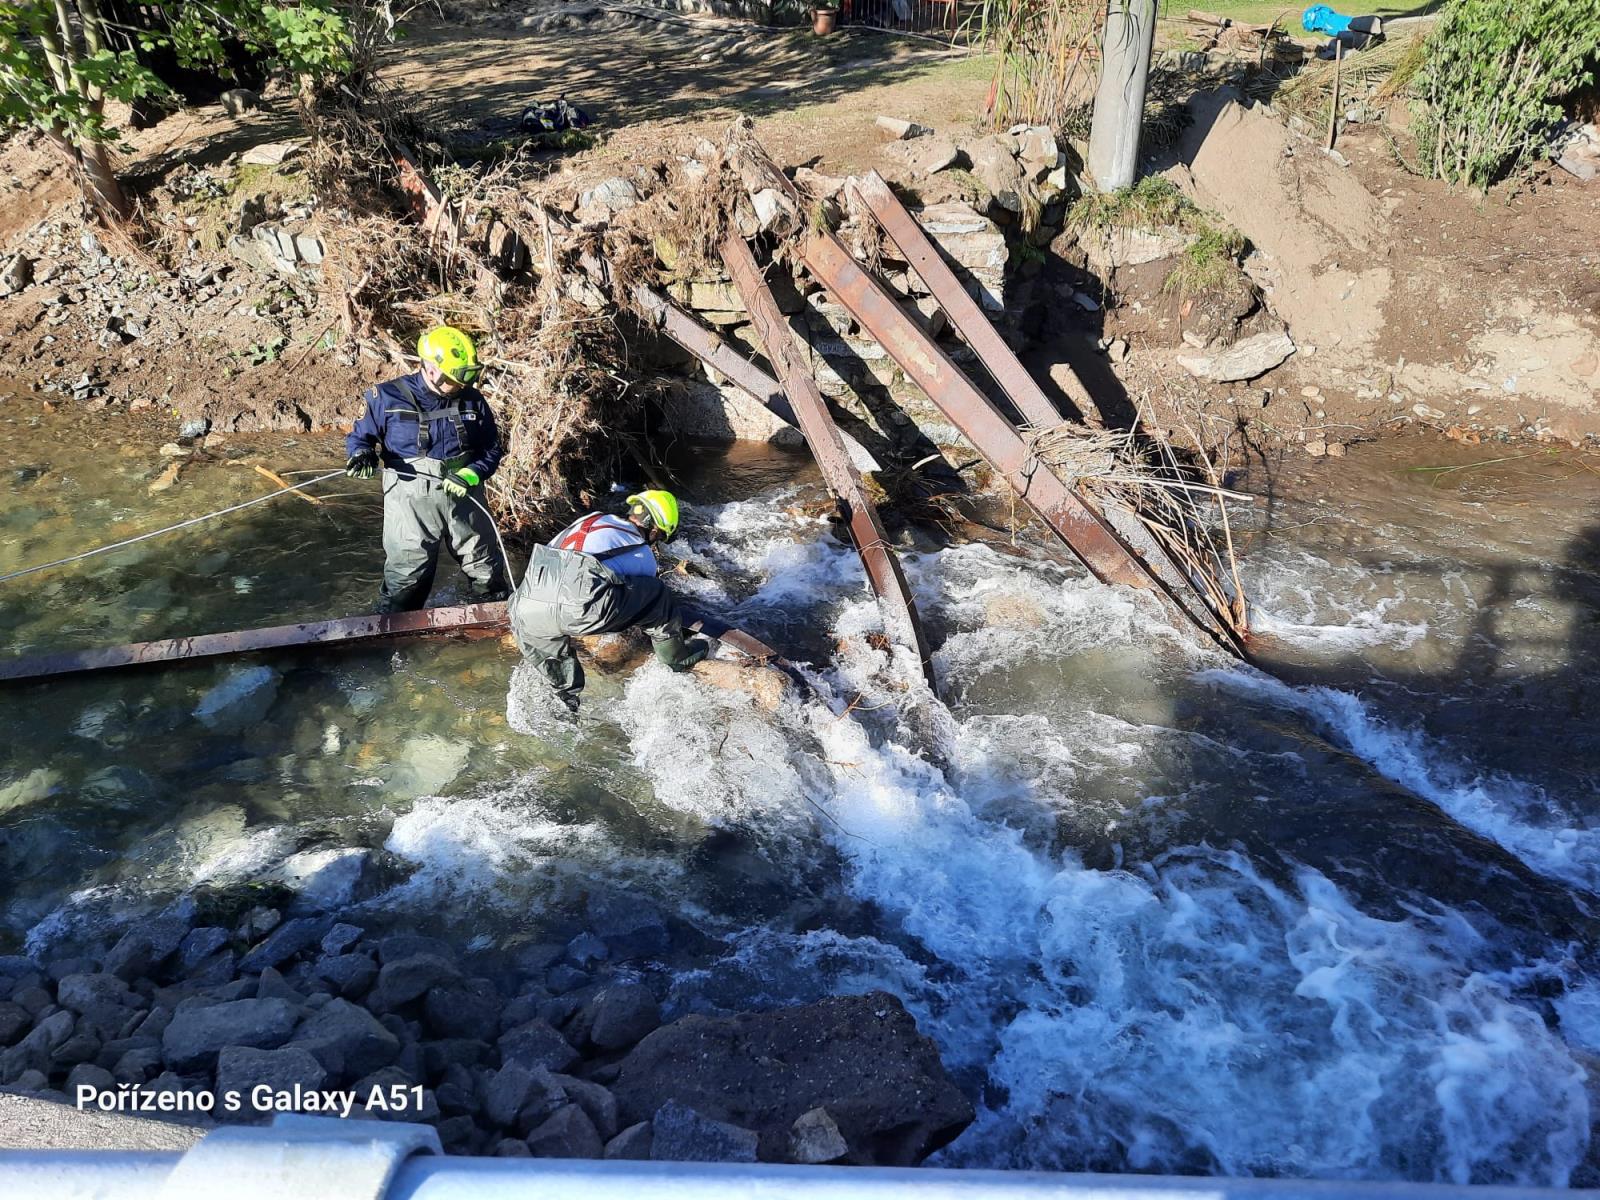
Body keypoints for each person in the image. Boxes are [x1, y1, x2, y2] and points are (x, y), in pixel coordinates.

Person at [345, 326, 510, 613]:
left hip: (465, 497)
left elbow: (492, 449)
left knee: (486, 571)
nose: (462, 385)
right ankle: (392, 644)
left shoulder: (473, 400)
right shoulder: (386, 397)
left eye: (468, 377)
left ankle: (493, 634)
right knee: (407, 580)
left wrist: (473, 472)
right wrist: (361, 454)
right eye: (456, 378)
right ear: (431, 369)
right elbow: (361, 437)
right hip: (410, 503)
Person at [510, 489, 710, 712]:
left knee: (556, 677)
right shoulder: (642, 553)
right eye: (661, 536)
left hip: (525, 603)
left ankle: (566, 703)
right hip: (579, 608)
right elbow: (641, 600)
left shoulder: (592, 518)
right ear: (654, 529)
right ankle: (675, 658)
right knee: (657, 593)